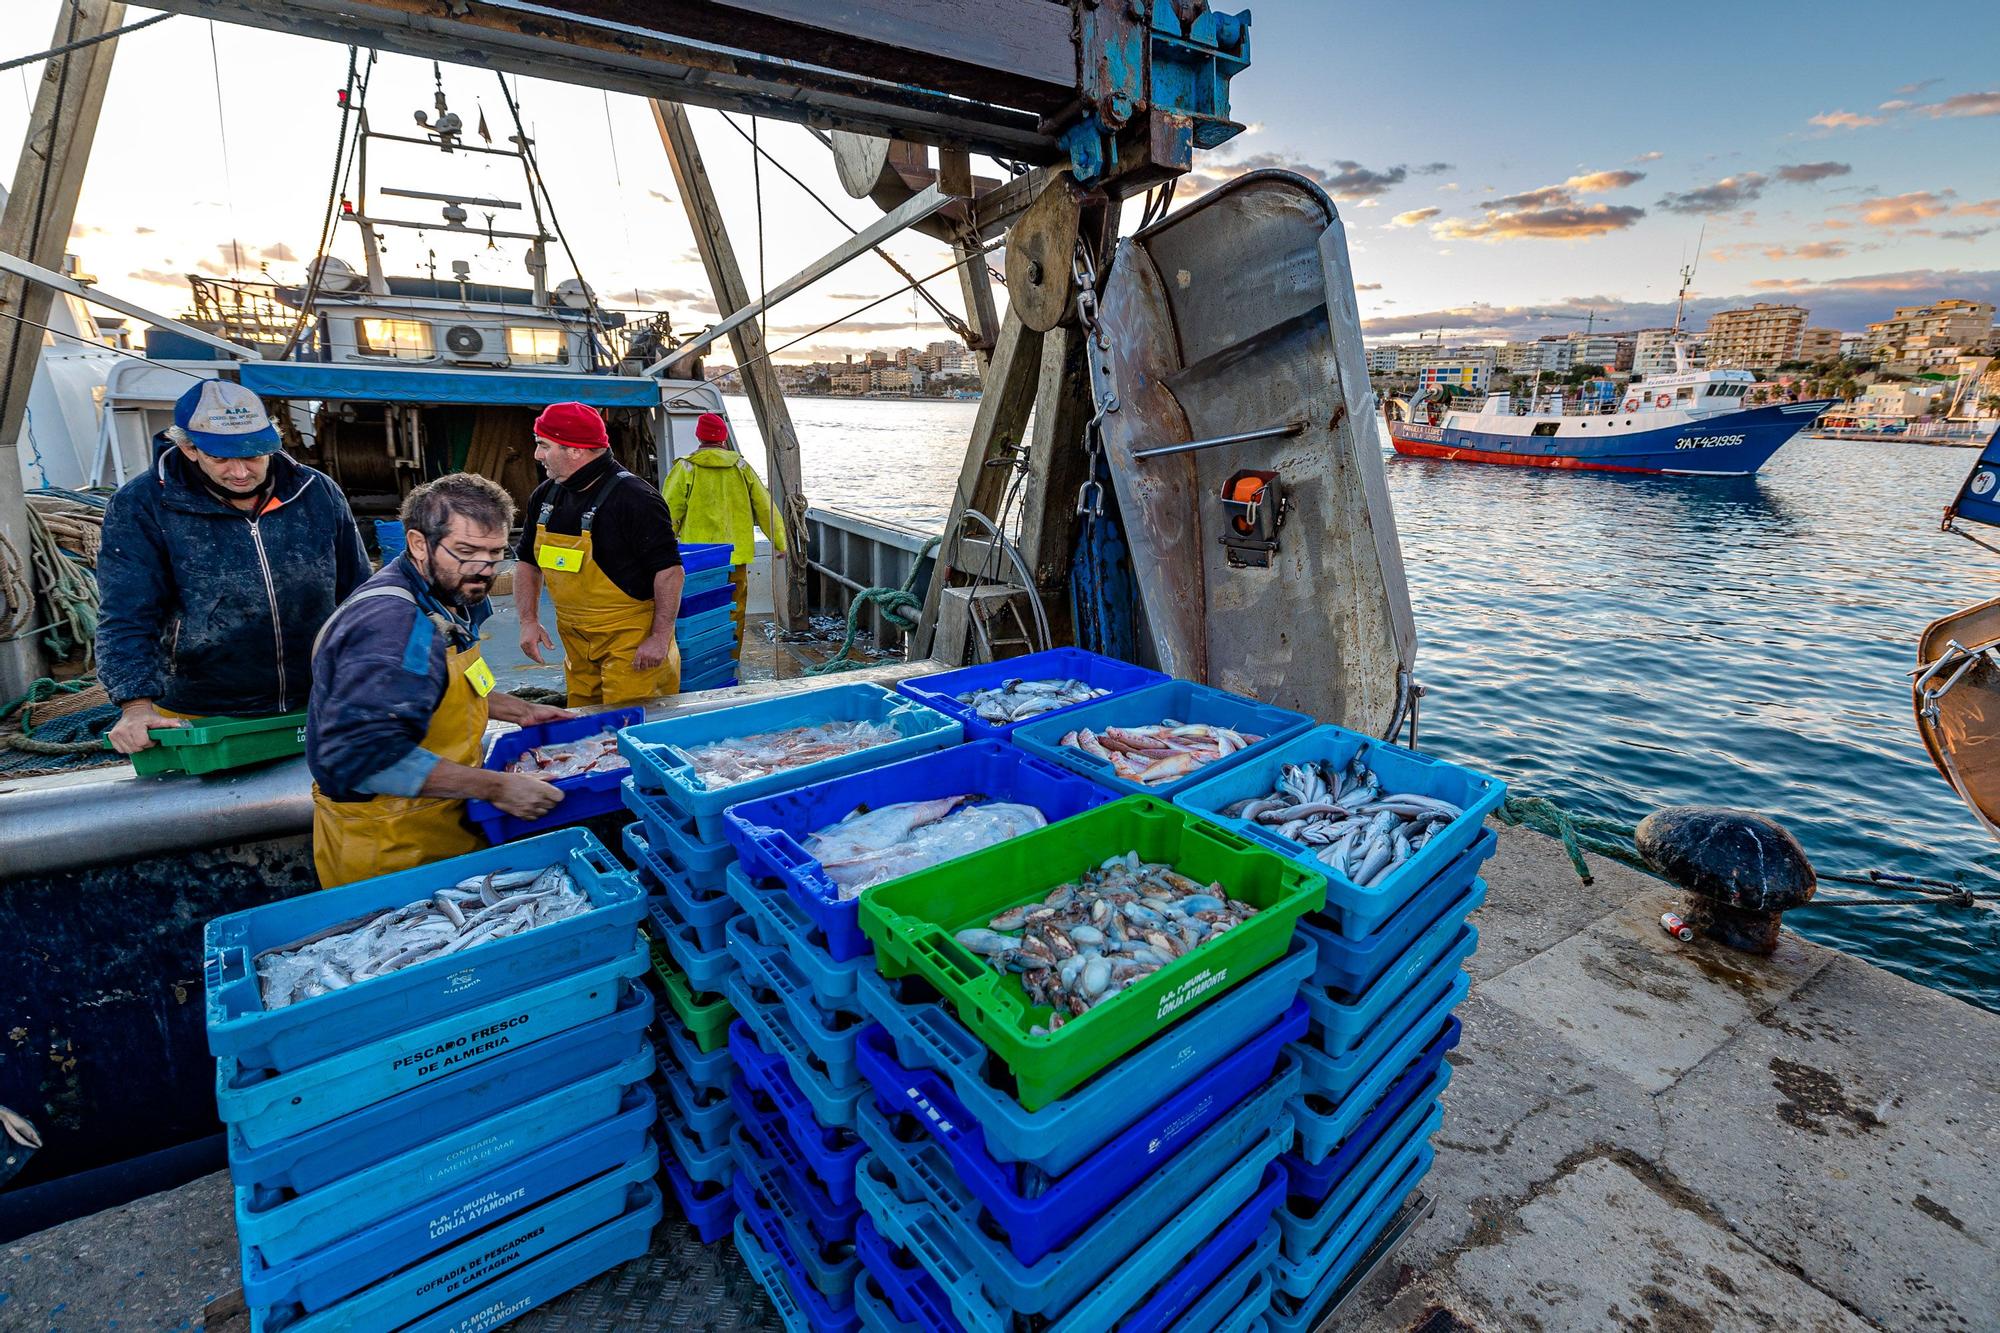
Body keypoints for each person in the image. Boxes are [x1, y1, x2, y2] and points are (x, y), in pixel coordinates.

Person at [307, 473, 573, 888]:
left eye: (495, 553)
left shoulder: (448, 594)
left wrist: (520, 710)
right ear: (417, 543)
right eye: (466, 551)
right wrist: (497, 788)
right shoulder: (393, 627)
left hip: (439, 814)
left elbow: (452, 680)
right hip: (387, 839)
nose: (483, 571)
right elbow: (362, 756)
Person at [97, 379, 369, 755]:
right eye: (221, 458)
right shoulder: (140, 505)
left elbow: (358, 594)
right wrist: (136, 705)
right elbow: (126, 613)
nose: (240, 472)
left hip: (323, 697)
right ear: (189, 448)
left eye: (254, 456)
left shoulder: (316, 491)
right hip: (201, 711)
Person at [515, 402, 686, 705]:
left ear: (576, 450)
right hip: (575, 641)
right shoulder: (545, 496)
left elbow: (669, 572)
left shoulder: (636, 498)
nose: (537, 455)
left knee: (630, 726)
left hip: (631, 644)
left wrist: (659, 638)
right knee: (586, 733)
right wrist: (528, 620)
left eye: (543, 445)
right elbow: (528, 563)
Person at [660, 411, 787, 650]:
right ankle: (730, 657)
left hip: (699, 558)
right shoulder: (741, 466)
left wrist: (662, 546)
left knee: (699, 608)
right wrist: (779, 542)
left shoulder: (686, 468)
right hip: (735, 556)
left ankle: (701, 655)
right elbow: (764, 506)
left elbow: (669, 512)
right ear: (724, 437)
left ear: (699, 436)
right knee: (734, 608)